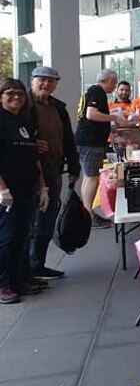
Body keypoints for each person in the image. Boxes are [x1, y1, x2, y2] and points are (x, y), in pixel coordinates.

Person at [26, 66, 80, 280]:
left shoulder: (58, 107)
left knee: (47, 221)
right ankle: (26, 269)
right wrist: (31, 144)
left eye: (52, 81)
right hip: (30, 172)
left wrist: (74, 167)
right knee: (30, 221)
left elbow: (68, 138)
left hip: (55, 170)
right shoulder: (24, 105)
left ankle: (38, 265)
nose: (47, 84)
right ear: (32, 80)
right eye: (42, 80)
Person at [0, 78, 51, 303]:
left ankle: (19, 279)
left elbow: (34, 157)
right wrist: (2, 190)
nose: (16, 97)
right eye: (10, 93)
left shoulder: (25, 121)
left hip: (27, 188)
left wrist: (42, 187)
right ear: (0, 96)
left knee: (23, 235)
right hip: (7, 192)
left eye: (20, 93)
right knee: (6, 237)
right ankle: (3, 285)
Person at [75, 69, 128, 226]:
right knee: (93, 177)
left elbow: (92, 119)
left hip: (86, 140)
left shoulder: (90, 91)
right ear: (110, 81)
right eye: (115, 82)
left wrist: (112, 129)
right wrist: (115, 118)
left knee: (88, 176)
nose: (115, 86)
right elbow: (91, 115)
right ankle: (88, 215)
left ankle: (86, 212)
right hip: (91, 142)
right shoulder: (98, 91)